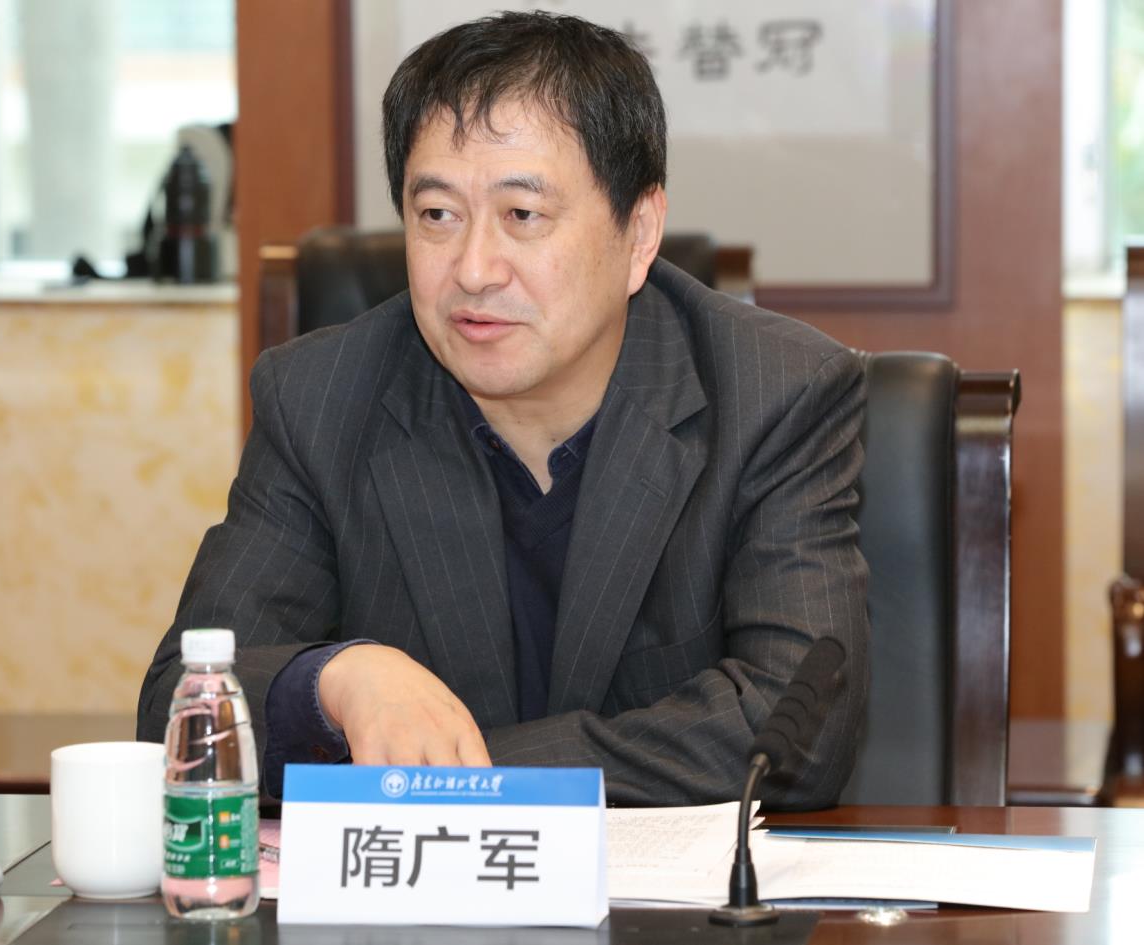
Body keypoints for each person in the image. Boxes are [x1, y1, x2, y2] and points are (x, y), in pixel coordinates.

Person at [138, 11, 869, 809]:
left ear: (638, 232)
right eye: (436, 216)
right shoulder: (318, 399)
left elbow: (796, 731)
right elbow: (180, 708)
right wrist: (335, 680)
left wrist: (457, 769)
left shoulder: (773, 395)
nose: (475, 269)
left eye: (522, 215)